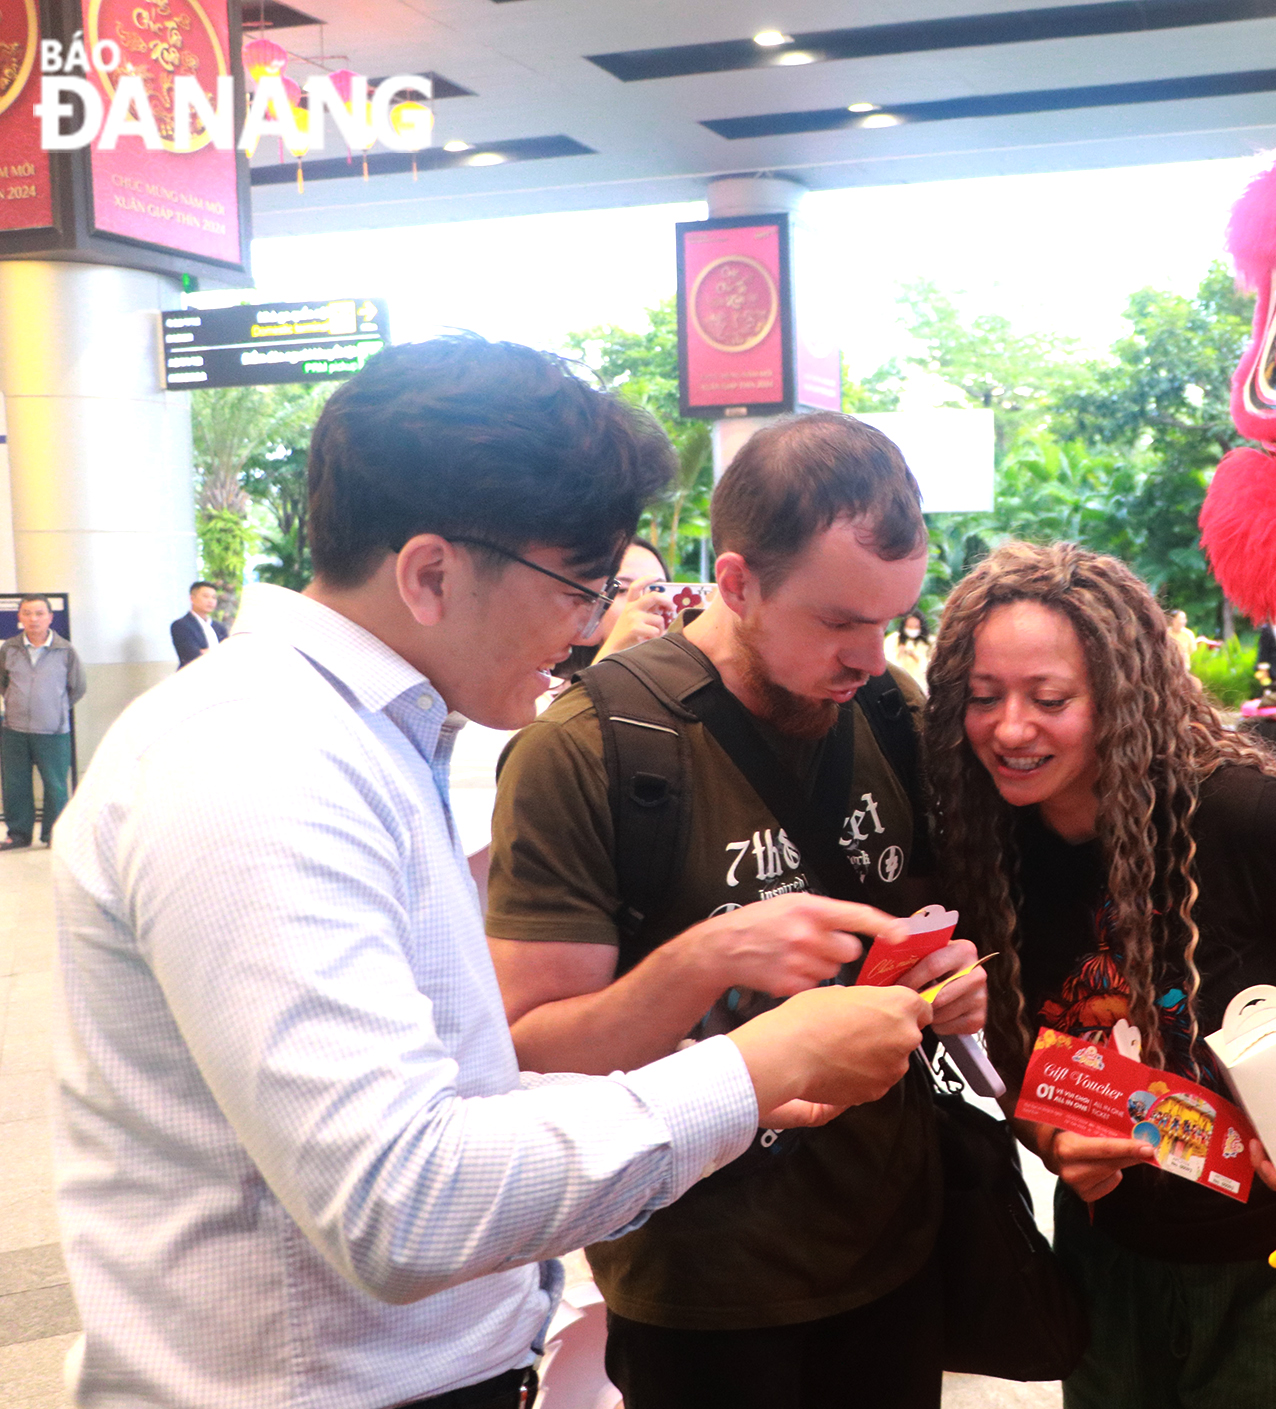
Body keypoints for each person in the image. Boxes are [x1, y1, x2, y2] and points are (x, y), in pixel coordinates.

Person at [51, 337, 933, 1409]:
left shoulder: (367, 738)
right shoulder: (256, 762)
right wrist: (744, 1072)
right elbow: (399, 1200)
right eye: (581, 586)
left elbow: (450, 1092)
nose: (591, 625)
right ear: (429, 571)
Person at [485, 410, 987, 1409]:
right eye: (838, 621)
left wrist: (953, 984)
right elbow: (531, 1048)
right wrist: (705, 955)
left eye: (887, 621)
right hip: (700, 1285)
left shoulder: (891, 710)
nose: (867, 654)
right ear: (737, 582)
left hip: (894, 1247)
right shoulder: (590, 751)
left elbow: (927, 925)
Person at [924, 542, 1276, 1408]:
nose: (1009, 729)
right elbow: (1008, 1056)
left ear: (1120, 696)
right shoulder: (983, 840)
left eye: (1049, 700)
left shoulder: (1238, 814)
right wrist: (1052, 1144)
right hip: (1107, 1256)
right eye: (982, 697)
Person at [0, 594, 85, 849]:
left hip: (54, 730)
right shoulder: (9, 648)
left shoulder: (65, 649)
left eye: (39, 613)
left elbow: (77, 687)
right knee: (15, 783)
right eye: (27, 613)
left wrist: (55, 709)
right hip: (14, 729)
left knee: (56, 785)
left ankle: (53, 835)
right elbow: (4, 683)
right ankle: (18, 834)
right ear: (20, 617)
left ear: (50, 617)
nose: (33, 619)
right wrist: (17, 703)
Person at [553, 537, 674, 682]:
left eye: (657, 590)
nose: (644, 602)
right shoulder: (543, 691)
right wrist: (615, 648)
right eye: (622, 590)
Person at [170, 580, 229, 667]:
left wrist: (206, 651)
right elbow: (192, 655)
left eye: (214, 597)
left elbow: (228, 653)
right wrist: (218, 652)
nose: (210, 601)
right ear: (192, 598)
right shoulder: (181, 625)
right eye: (205, 596)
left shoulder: (219, 627)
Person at [886, 608, 933, 689]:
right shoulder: (893, 639)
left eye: (916, 627)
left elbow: (930, 666)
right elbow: (888, 664)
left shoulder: (930, 641)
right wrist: (900, 654)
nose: (912, 630)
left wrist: (916, 658)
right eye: (910, 626)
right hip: (898, 683)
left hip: (921, 684)